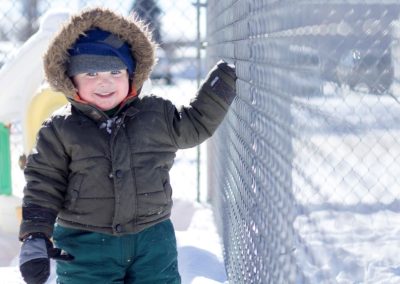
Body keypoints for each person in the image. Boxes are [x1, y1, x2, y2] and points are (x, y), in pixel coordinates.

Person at [18, 7, 236, 284]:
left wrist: (225, 82)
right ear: (70, 80)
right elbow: (43, 185)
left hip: (152, 240)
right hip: (85, 245)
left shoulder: (155, 114)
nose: (105, 81)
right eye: (90, 74)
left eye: (114, 71)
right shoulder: (59, 130)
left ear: (132, 74)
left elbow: (194, 126)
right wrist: (35, 235)